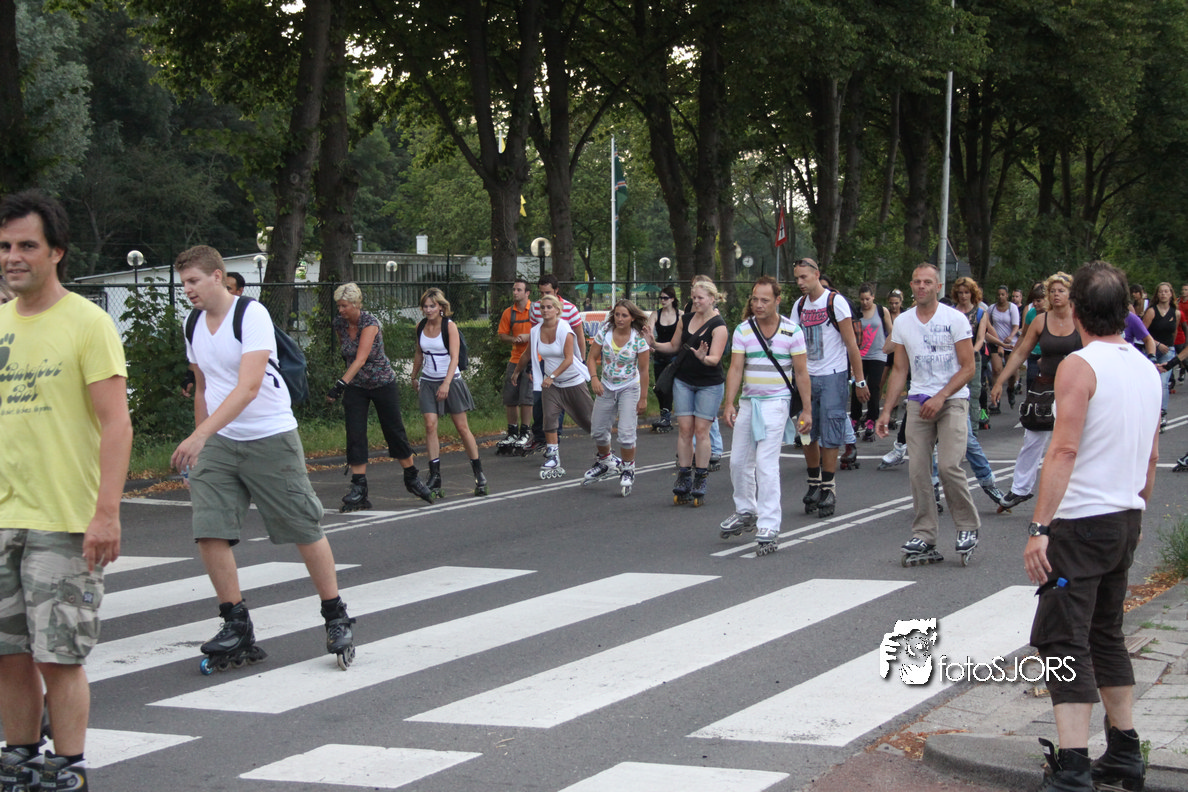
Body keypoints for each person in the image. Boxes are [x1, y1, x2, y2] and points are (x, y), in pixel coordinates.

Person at [170, 245, 356, 675]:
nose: (188, 290)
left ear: (217, 277)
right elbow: (202, 387)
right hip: (219, 441)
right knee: (209, 529)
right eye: (183, 284)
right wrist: (202, 442)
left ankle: (335, 615)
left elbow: (249, 387)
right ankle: (235, 622)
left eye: (194, 281)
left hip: (270, 435)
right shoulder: (192, 323)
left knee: (303, 526)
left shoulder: (250, 315)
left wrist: (199, 435)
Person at [0, 191, 133, 790]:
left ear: (56, 252)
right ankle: (20, 755)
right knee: (8, 653)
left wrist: (106, 514)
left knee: (59, 653)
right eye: (5, 246)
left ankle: (67, 764)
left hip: (64, 519)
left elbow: (116, 424)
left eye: (27, 245)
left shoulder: (87, 322)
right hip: (4, 516)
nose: (13, 257)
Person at [1023, 261, 1161, 792]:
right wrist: (1136, 511)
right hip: (1125, 517)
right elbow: (1151, 457)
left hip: (1080, 521)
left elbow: (1063, 450)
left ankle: (1074, 765)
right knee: (1106, 634)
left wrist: (1040, 526)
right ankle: (1124, 751)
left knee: (1064, 640)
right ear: (1126, 312)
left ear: (1076, 310)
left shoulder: (1079, 366)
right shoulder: (1146, 368)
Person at [876, 263, 980, 565]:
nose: (921, 286)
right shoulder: (903, 322)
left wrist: (942, 396)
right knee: (918, 471)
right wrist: (886, 411)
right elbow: (900, 369)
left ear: (938, 287)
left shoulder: (954, 319)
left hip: (952, 400)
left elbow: (969, 367)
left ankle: (967, 526)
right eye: (917, 282)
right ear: (911, 286)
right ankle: (925, 534)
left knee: (948, 466)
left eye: (927, 282)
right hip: (918, 401)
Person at [720, 277, 812, 554]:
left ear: (777, 301)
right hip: (749, 402)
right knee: (738, 461)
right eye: (755, 299)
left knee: (765, 463)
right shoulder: (743, 330)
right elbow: (736, 368)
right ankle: (746, 510)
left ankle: (769, 524)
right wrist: (729, 403)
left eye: (765, 300)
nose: (758, 305)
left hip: (777, 402)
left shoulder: (792, 331)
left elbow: (801, 373)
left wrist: (806, 410)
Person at [327, 282, 434, 510]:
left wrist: (339, 385)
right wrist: (348, 382)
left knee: (394, 431)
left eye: (344, 306)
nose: (341, 310)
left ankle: (412, 477)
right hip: (357, 385)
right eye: (339, 306)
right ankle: (359, 488)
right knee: (355, 433)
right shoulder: (339, 323)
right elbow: (347, 354)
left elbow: (360, 358)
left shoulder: (370, 323)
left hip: (382, 382)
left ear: (356, 304)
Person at [990, 273, 1082, 512]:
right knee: (1032, 438)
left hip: (1075, 387)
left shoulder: (1081, 320)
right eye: (1052, 291)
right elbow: (1021, 352)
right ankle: (1019, 489)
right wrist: (1000, 381)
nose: (1056, 295)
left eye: (1061, 290)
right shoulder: (1041, 320)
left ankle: (1077, 493)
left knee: (1074, 442)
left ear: (1071, 294)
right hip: (1045, 386)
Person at [791, 258, 868, 518]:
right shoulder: (799, 305)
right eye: (797, 278)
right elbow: (793, 342)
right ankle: (814, 482)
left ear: (816, 275)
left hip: (833, 376)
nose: (800, 282)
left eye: (804, 277)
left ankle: (829, 487)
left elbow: (851, 345)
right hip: (806, 377)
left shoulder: (835, 302)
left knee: (831, 432)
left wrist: (859, 381)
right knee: (806, 431)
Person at [644, 279, 729, 506]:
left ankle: (700, 476)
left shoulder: (719, 326)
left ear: (712, 299)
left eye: (700, 298)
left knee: (701, 431)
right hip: (683, 380)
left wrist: (703, 357)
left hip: (709, 384)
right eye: (693, 298)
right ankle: (684, 475)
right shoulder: (686, 319)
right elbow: (673, 346)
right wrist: (654, 344)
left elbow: (715, 359)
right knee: (684, 429)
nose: (696, 301)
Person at [411, 288, 487, 498]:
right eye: (425, 306)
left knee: (462, 428)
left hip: (451, 381)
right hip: (428, 381)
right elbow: (419, 352)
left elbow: (454, 357)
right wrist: (413, 376)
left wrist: (446, 384)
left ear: (441, 307)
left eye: (432, 306)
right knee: (430, 425)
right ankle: (435, 475)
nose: (428, 310)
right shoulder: (420, 327)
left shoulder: (449, 326)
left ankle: (479, 473)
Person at [513, 294, 594, 478]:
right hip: (552, 384)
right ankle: (553, 456)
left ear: (557, 310)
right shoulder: (536, 331)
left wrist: (551, 376)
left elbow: (569, 359)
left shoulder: (564, 329)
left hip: (572, 381)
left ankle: (606, 454)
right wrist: (516, 372)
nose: (545, 310)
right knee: (549, 418)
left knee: (590, 421)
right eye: (542, 307)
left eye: (549, 307)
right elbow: (527, 354)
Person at [583, 299, 650, 494]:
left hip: (629, 387)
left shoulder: (638, 338)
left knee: (626, 434)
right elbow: (591, 358)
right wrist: (594, 378)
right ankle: (606, 462)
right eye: (617, 315)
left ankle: (628, 468)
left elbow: (644, 370)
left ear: (632, 318)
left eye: (624, 315)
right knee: (598, 430)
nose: (620, 319)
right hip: (606, 386)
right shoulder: (605, 331)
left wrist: (643, 398)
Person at [528, 275, 585, 448]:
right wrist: (531, 366)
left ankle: (555, 438)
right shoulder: (536, 308)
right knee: (539, 401)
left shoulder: (570, 309)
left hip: (567, 362)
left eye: (548, 292)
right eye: (541, 293)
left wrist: (581, 360)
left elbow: (579, 336)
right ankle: (543, 438)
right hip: (545, 360)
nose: (544, 296)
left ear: (556, 290)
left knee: (571, 406)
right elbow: (533, 339)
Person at [495, 278, 535, 454]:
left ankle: (525, 432)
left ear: (527, 293)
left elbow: (545, 330)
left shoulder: (535, 311)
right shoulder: (508, 313)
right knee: (510, 397)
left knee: (526, 397)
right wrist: (514, 339)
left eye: (519, 290)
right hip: (515, 359)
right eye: (514, 289)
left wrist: (528, 337)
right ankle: (512, 432)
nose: (515, 293)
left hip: (533, 358)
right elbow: (502, 335)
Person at [850, 283, 891, 442]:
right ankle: (854, 419)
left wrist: (887, 347)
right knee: (857, 386)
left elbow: (892, 331)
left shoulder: (881, 311)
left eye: (867, 299)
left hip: (877, 355)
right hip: (860, 355)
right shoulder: (856, 312)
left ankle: (871, 420)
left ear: (873, 297)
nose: (865, 302)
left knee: (874, 386)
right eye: (862, 299)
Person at [1141, 282, 1180, 429]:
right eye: (1161, 292)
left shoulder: (1176, 313)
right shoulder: (1151, 311)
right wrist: (1157, 344)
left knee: (1163, 382)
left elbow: (1174, 332)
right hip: (1152, 349)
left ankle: (1162, 413)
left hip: (1167, 351)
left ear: (1171, 294)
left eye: (1166, 291)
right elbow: (1143, 333)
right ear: (1157, 294)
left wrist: (1170, 347)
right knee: (1150, 382)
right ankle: (1148, 412)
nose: (1163, 294)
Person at [648, 285, 679, 433]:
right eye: (661, 298)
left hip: (674, 355)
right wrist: (649, 343)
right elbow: (648, 331)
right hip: (659, 353)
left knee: (669, 386)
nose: (662, 300)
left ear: (672, 299)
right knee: (659, 387)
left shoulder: (680, 315)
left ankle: (666, 417)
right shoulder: (656, 314)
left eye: (665, 298)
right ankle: (664, 415)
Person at [985, 284, 1020, 411]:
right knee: (996, 370)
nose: (1000, 297)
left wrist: (1011, 336)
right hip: (996, 343)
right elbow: (988, 324)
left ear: (1007, 295)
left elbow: (1016, 326)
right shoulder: (992, 308)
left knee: (1012, 373)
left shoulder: (1012, 308)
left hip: (1010, 343)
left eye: (1003, 294)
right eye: (998, 294)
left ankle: (1011, 389)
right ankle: (996, 401)